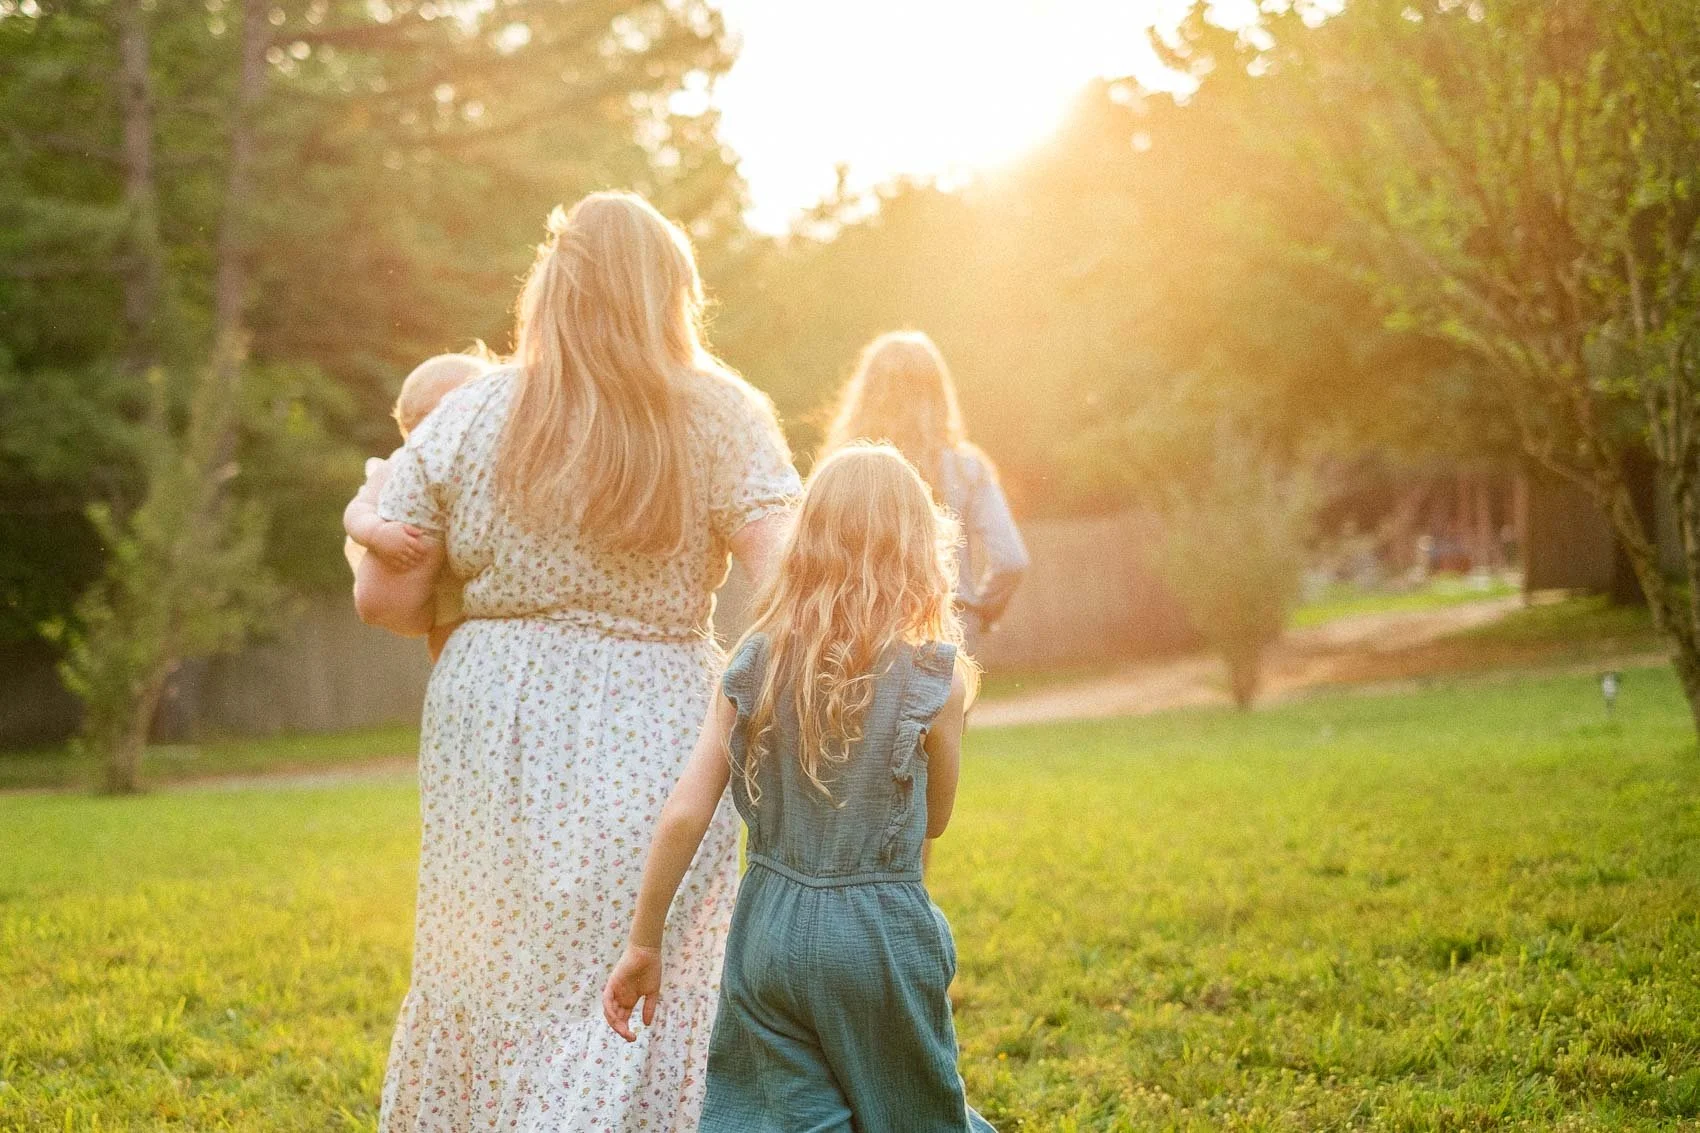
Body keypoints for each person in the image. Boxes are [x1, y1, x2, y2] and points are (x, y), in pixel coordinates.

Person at [353, 191, 800, 1131]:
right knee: (637, 970)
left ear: (550, 287)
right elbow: (788, 579)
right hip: (658, 712)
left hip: (492, 719)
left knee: (491, 974)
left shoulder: (472, 411)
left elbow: (387, 599)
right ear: (671, 291)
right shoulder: (721, 412)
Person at [602, 444, 995, 1133]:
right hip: (878, 935)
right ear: (918, 548)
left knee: (784, 1117)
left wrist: (644, 943)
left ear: (806, 543)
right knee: (912, 1115)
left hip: (769, 930)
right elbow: (934, 819)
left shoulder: (755, 660)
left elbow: (686, 813)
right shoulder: (938, 677)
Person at [823, 331, 1029, 656]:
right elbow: (1011, 560)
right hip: (948, 624)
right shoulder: (967, 469)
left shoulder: (841, 470)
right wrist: (978, 612)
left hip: (857, 628)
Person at [342, 351, 490, 661]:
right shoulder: (400, 466)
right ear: (425, 421)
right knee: (442, 634)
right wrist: (377, 534)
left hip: (451, 580)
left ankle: (449, 676)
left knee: (450, 635)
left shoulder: (473, 468)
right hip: (408, 577)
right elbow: (357, 510)